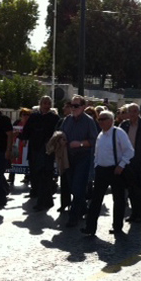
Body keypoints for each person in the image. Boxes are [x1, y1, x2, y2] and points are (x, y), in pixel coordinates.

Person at [81, 111, 134, 236]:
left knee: (119, 200)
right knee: (95, 200)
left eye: (103, 119)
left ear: (111, 120)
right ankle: (90, 228)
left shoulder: (118, 133)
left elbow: (130, 151)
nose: (100, 121)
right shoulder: (100, 135)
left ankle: (117, 227)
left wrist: (121, 165)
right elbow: (97, 153)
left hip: (116, 171)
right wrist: (96, 165)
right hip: (102, 171)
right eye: (99, 119)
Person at [60, 95, 98, 227]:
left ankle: (73, 217)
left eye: (76, 106)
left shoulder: (89, 121)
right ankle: (82, 208)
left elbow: (94, 140)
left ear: (83, 107)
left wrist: (80, 144)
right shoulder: (67, 120)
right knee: (72, 186)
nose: (73, 108)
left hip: (83, 157)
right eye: (71, 105)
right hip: (69, 157)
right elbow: (61, 134)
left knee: (78, 186)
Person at [19, 97, 59, 211]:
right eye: (44, 103)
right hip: (35, 150)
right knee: (37, 175)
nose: (46, 105)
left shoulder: (54, 118)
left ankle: (42, 201)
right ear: (40, 104)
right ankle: (47, 199)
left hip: (47, 151)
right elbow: (27, 131)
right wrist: (20, 136)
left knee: (45, 175)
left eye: (49, 103)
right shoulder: (34, 116)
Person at [119, 103, 141, 222]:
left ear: (138, 112)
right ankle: (134, 213)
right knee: (130, 188)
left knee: (140, 187)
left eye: (135, 111)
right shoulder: (124, 125)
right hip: (127, 161)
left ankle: (140, 213)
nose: (133, 114)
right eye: (130, 111)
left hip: (140, 161)